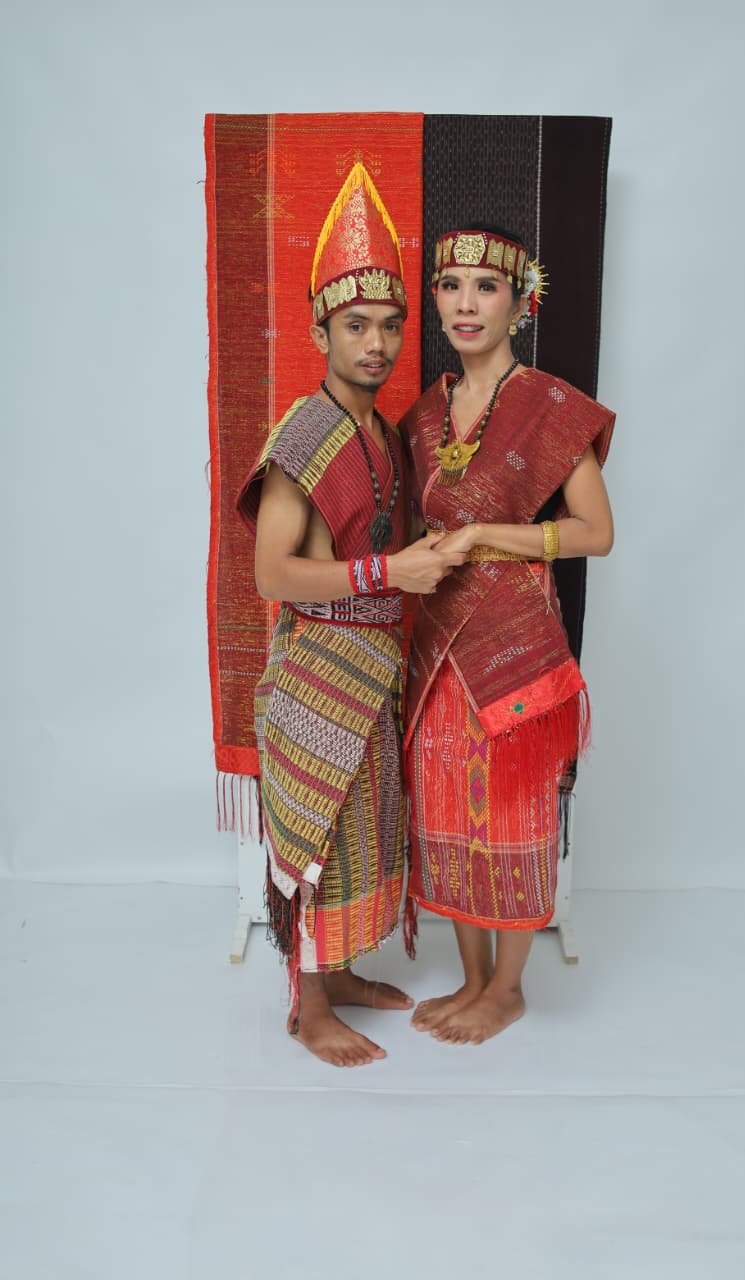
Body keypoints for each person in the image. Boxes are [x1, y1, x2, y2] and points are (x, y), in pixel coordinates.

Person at [236, 165, 464, 1068]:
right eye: (356, 325)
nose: (376, 343)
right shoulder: (304, 433)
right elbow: (272, 573)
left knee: (364, 829)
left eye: (389, 325)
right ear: (319, 331)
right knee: (317, 839)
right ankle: (307, 1008)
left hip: (376, 663)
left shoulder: (384, 433)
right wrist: (389, 570)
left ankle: (339, 974)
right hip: (318, 667)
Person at [401, 225, 616, 1045]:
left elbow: (594, 532)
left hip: (515, 637)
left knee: (514, 813)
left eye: (485, 287)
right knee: (445, 807)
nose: (466, 303)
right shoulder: (423, 415)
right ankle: (469, 978)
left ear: (521, 304)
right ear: (434, 299)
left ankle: (507, 988)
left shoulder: (549, 407)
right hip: (438, 643)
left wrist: (486, 535)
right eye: (450, 285)